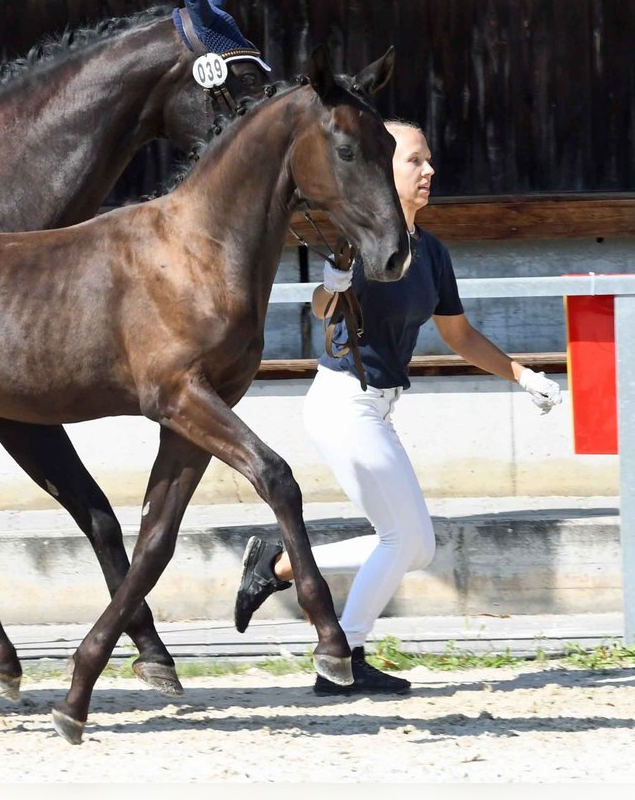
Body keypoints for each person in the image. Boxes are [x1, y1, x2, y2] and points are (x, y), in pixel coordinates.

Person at [233, 119, 562, 696]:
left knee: (417, 545)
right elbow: (320, 309)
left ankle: (281, 565)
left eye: (428, 161)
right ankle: (342, 657)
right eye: (415, 161)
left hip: (378, 409)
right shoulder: (361, 239)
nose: (429, 170)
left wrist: (521, 374)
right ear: (385, 170)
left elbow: (458, 336)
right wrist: (333, 282)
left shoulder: (431, 253)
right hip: (343, 401)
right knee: (403, 538)